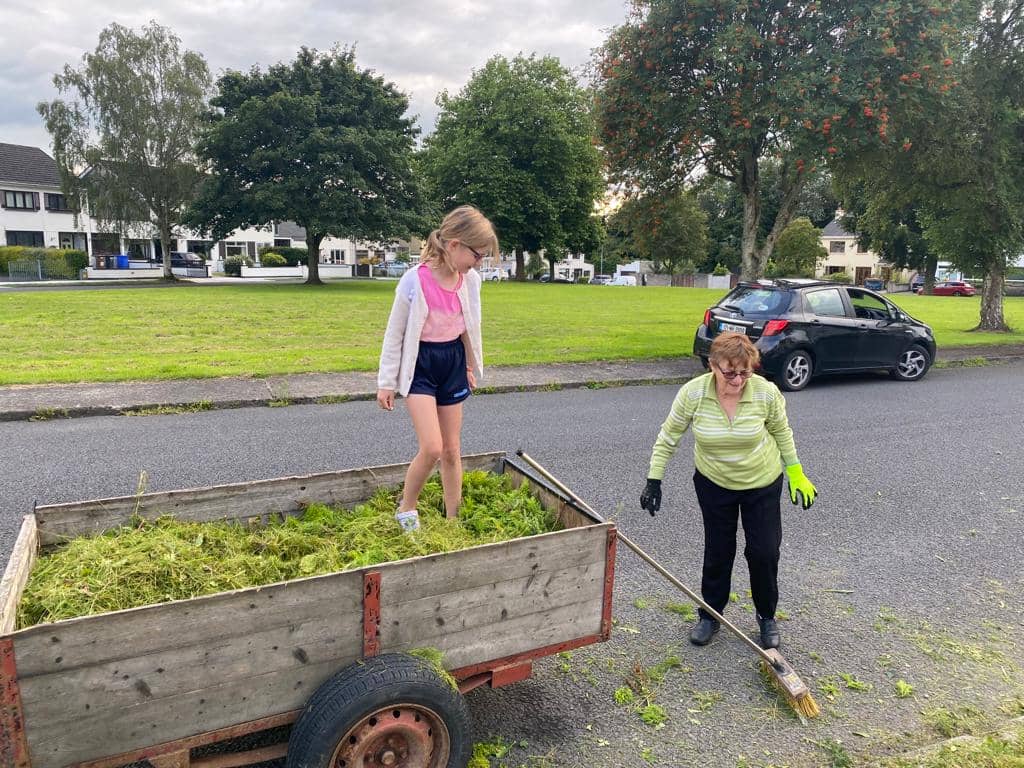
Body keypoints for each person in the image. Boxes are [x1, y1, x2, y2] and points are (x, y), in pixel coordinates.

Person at [639, 332, 818, 649]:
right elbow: (669, 436)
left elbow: (781, 432)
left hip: (761, 482)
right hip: (714, 482)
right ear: (712, 365)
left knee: (764, 552)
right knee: (719, 550)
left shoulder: (765, 393)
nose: (737, 379)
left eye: (745, 372)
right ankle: (710, 615)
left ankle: (766, 617)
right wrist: (654, 479)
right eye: (729, 372)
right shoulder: (693, 394)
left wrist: (796, 472)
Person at [377, 205, 498, 532]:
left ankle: (452, 518)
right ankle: (406, 509)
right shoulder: (414, 280)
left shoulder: (470, 281)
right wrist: (386, 383)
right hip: (420, 366)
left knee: (452, 449)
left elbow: (468, 326)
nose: (479, 262)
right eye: (477, 254)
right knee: (431, 447)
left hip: (452, 362)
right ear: (454, 244)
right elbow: (395, 333)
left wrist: (470, 365)